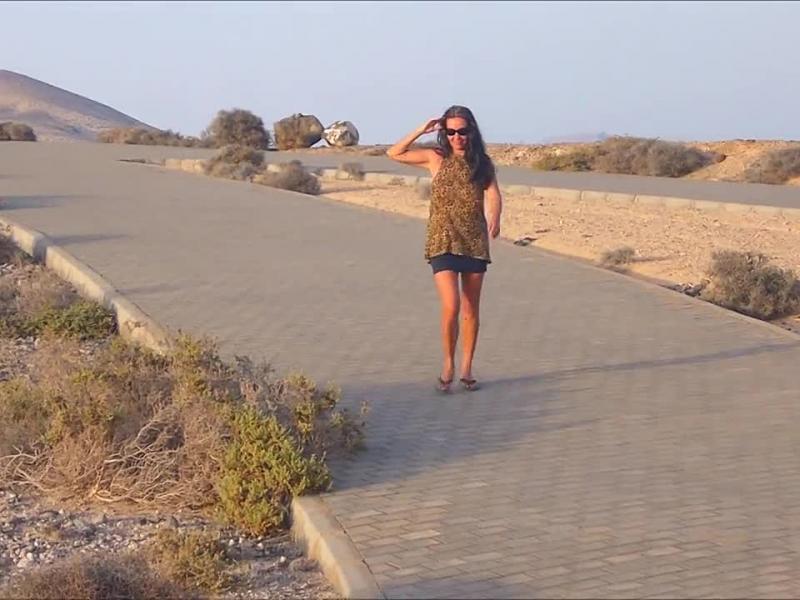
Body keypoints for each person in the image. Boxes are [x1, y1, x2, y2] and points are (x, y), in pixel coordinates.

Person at [387, 105, 502, 393]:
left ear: (471, 131)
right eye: (450, 132)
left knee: (470, 308)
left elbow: (493, 193)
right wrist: (421, 130)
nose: (456, 137)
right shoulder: (435, 157)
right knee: (451, 305)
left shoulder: (482, 164)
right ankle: (448, 363)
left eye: (462, 131)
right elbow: (394, 153)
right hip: (442, 239)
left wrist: (495, 217)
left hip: (473, 240)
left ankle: (467, 368)